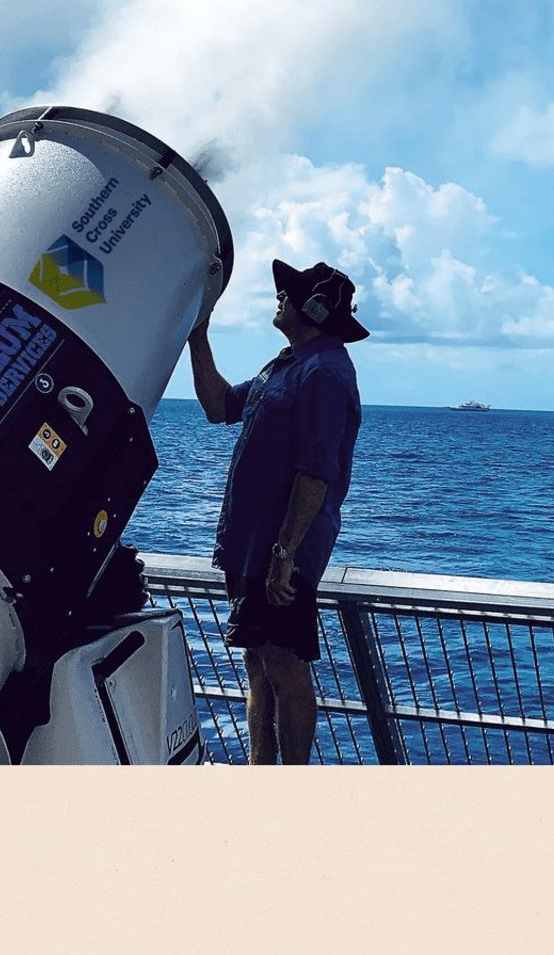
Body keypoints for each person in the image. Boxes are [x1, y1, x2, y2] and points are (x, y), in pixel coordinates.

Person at [186, 259, 367, 764]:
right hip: (251, 546)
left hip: (280, 553)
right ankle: (260, 776)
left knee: (284, 669)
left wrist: (285, 553)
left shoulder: (325, 373)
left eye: (289, 293)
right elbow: (219, 406)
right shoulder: (284, 365)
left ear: (313, 307)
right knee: (258, 661)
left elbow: (316, 474)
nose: (279, 298)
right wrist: (196, 336)